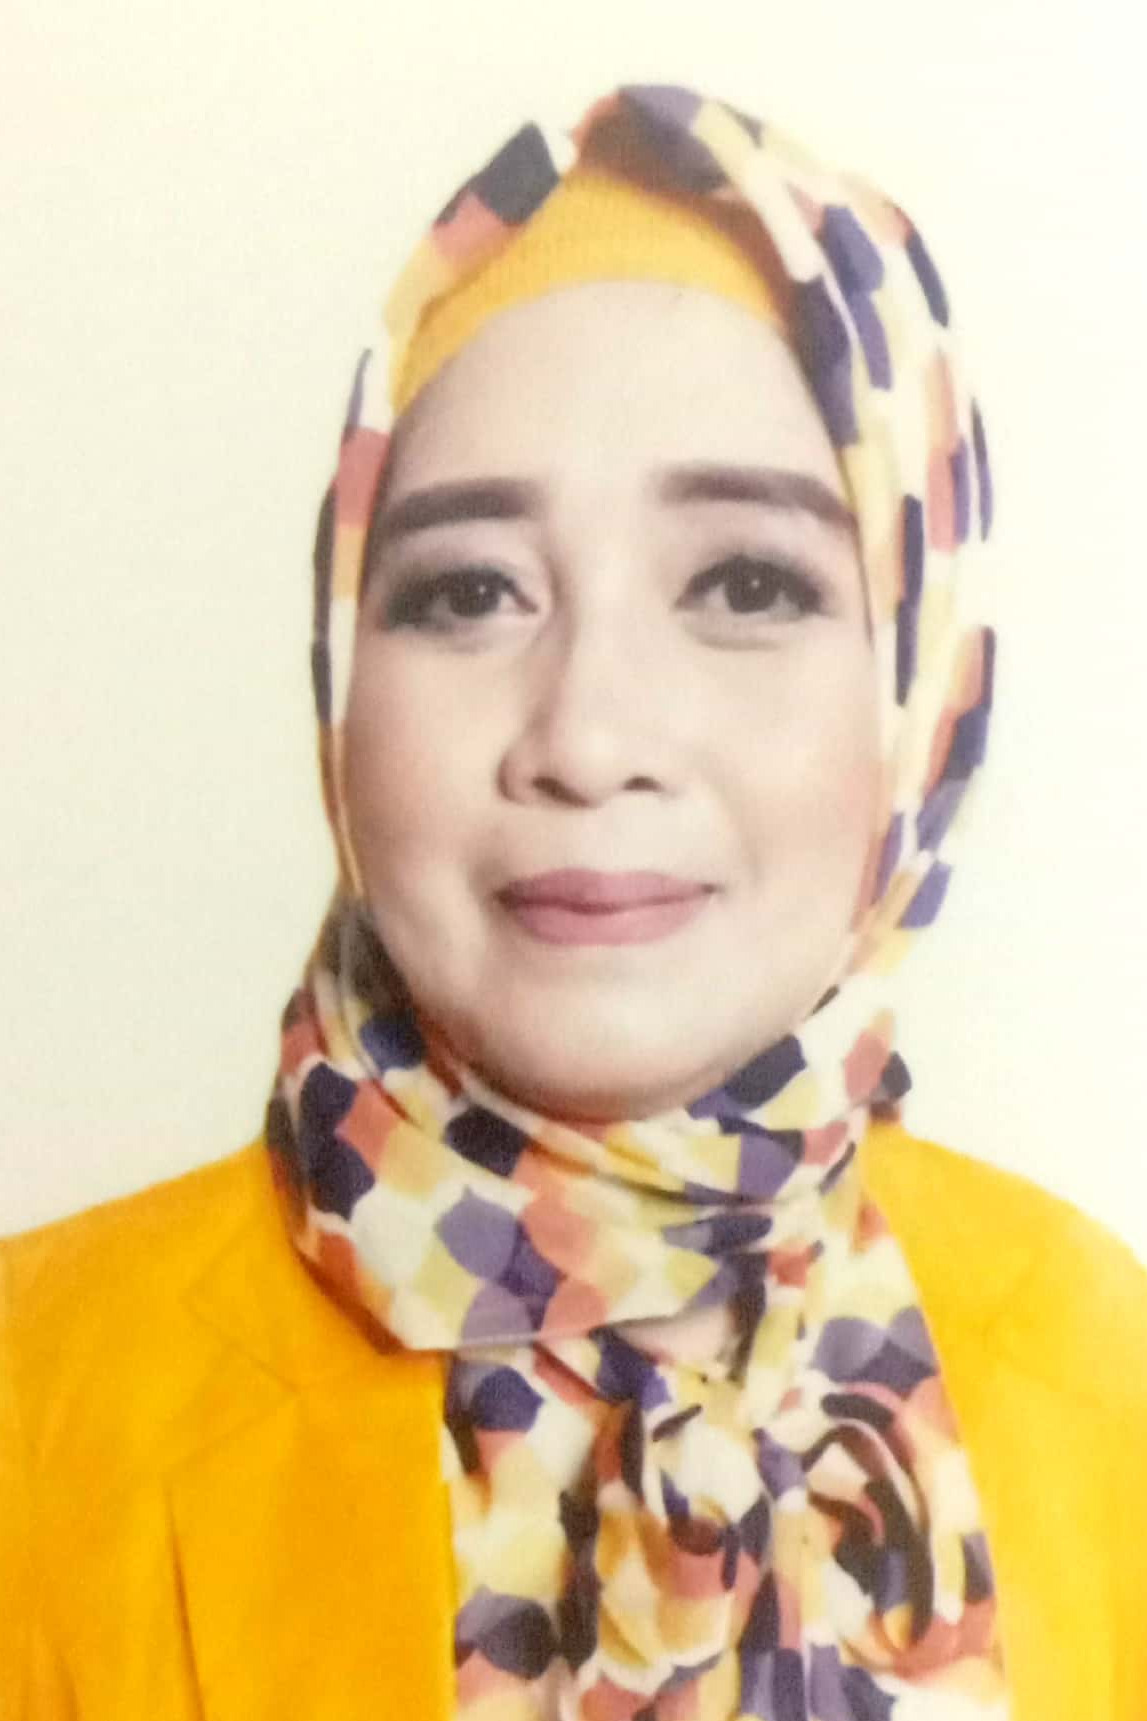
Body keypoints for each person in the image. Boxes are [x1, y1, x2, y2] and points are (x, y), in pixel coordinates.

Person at [2, 82, 1145, 1721]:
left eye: (745, 583)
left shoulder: (1105, 1367)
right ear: (342, 677)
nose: (591, 736)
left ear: (920, 682)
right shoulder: (34, 1407)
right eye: (471, 590)